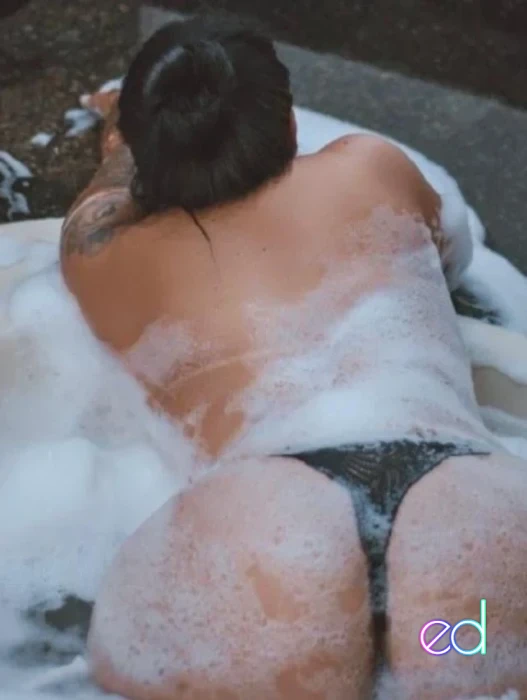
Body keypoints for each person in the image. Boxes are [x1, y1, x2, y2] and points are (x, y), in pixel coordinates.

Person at [60, 15, 527, 700]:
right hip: (466, 534)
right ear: (287, 125)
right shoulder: (371, 167)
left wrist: (126, 130)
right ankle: (439, 644)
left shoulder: (104, 254)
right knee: (455, 660)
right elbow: (447, 257)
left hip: (273, 551)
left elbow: (105, 195)